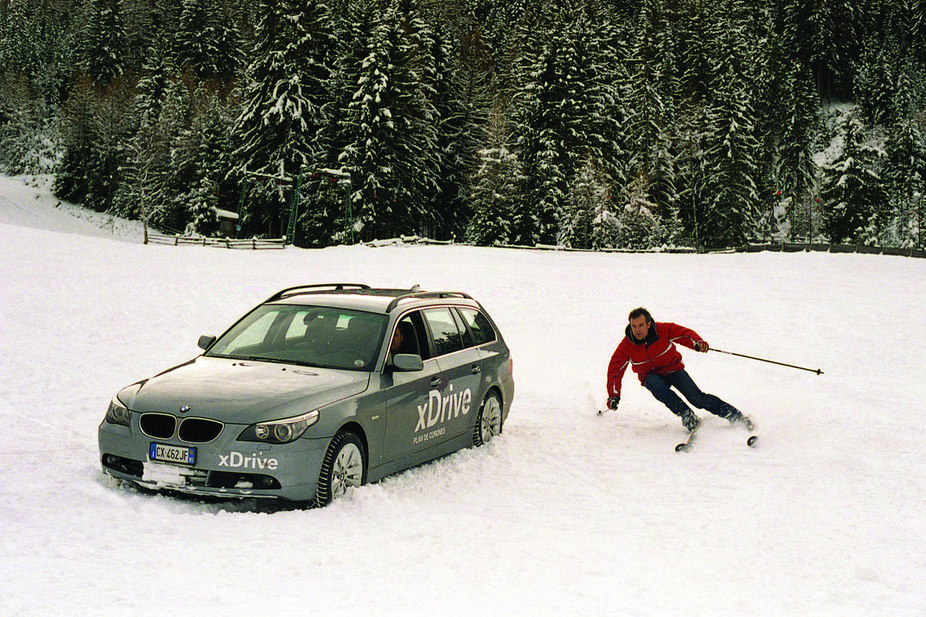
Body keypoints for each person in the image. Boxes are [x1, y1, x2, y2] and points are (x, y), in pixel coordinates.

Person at [606, 307, 748, 431]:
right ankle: (687, 416)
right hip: (651, 376)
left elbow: (683, 334)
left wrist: (697, 343)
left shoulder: (662, 329)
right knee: (654, 383)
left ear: (649, 324)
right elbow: (615, 370)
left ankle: (735, 415)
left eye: (641, 325)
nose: (637, 330)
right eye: (634, 326)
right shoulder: (626, 346)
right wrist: (614, 396)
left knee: (697, 399)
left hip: (673, 370)